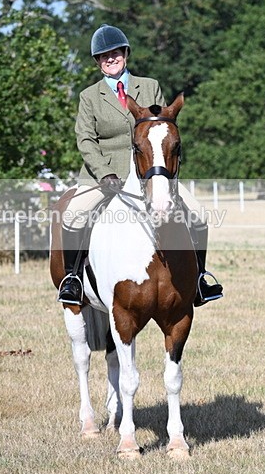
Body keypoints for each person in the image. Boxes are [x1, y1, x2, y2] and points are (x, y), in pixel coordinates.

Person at [58, 24, 223, 307]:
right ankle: (73, 279)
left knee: (198, 213)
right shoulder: (89, 96)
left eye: (116, 53)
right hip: (105, 174)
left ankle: (199, 278)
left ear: (125, 54)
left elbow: (164, 128)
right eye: (104, 55)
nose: (111, 59)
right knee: (73, 214)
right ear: (98, 62)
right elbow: (85, 139)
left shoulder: (149, 86)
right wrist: (104, 173)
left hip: (151, 171)